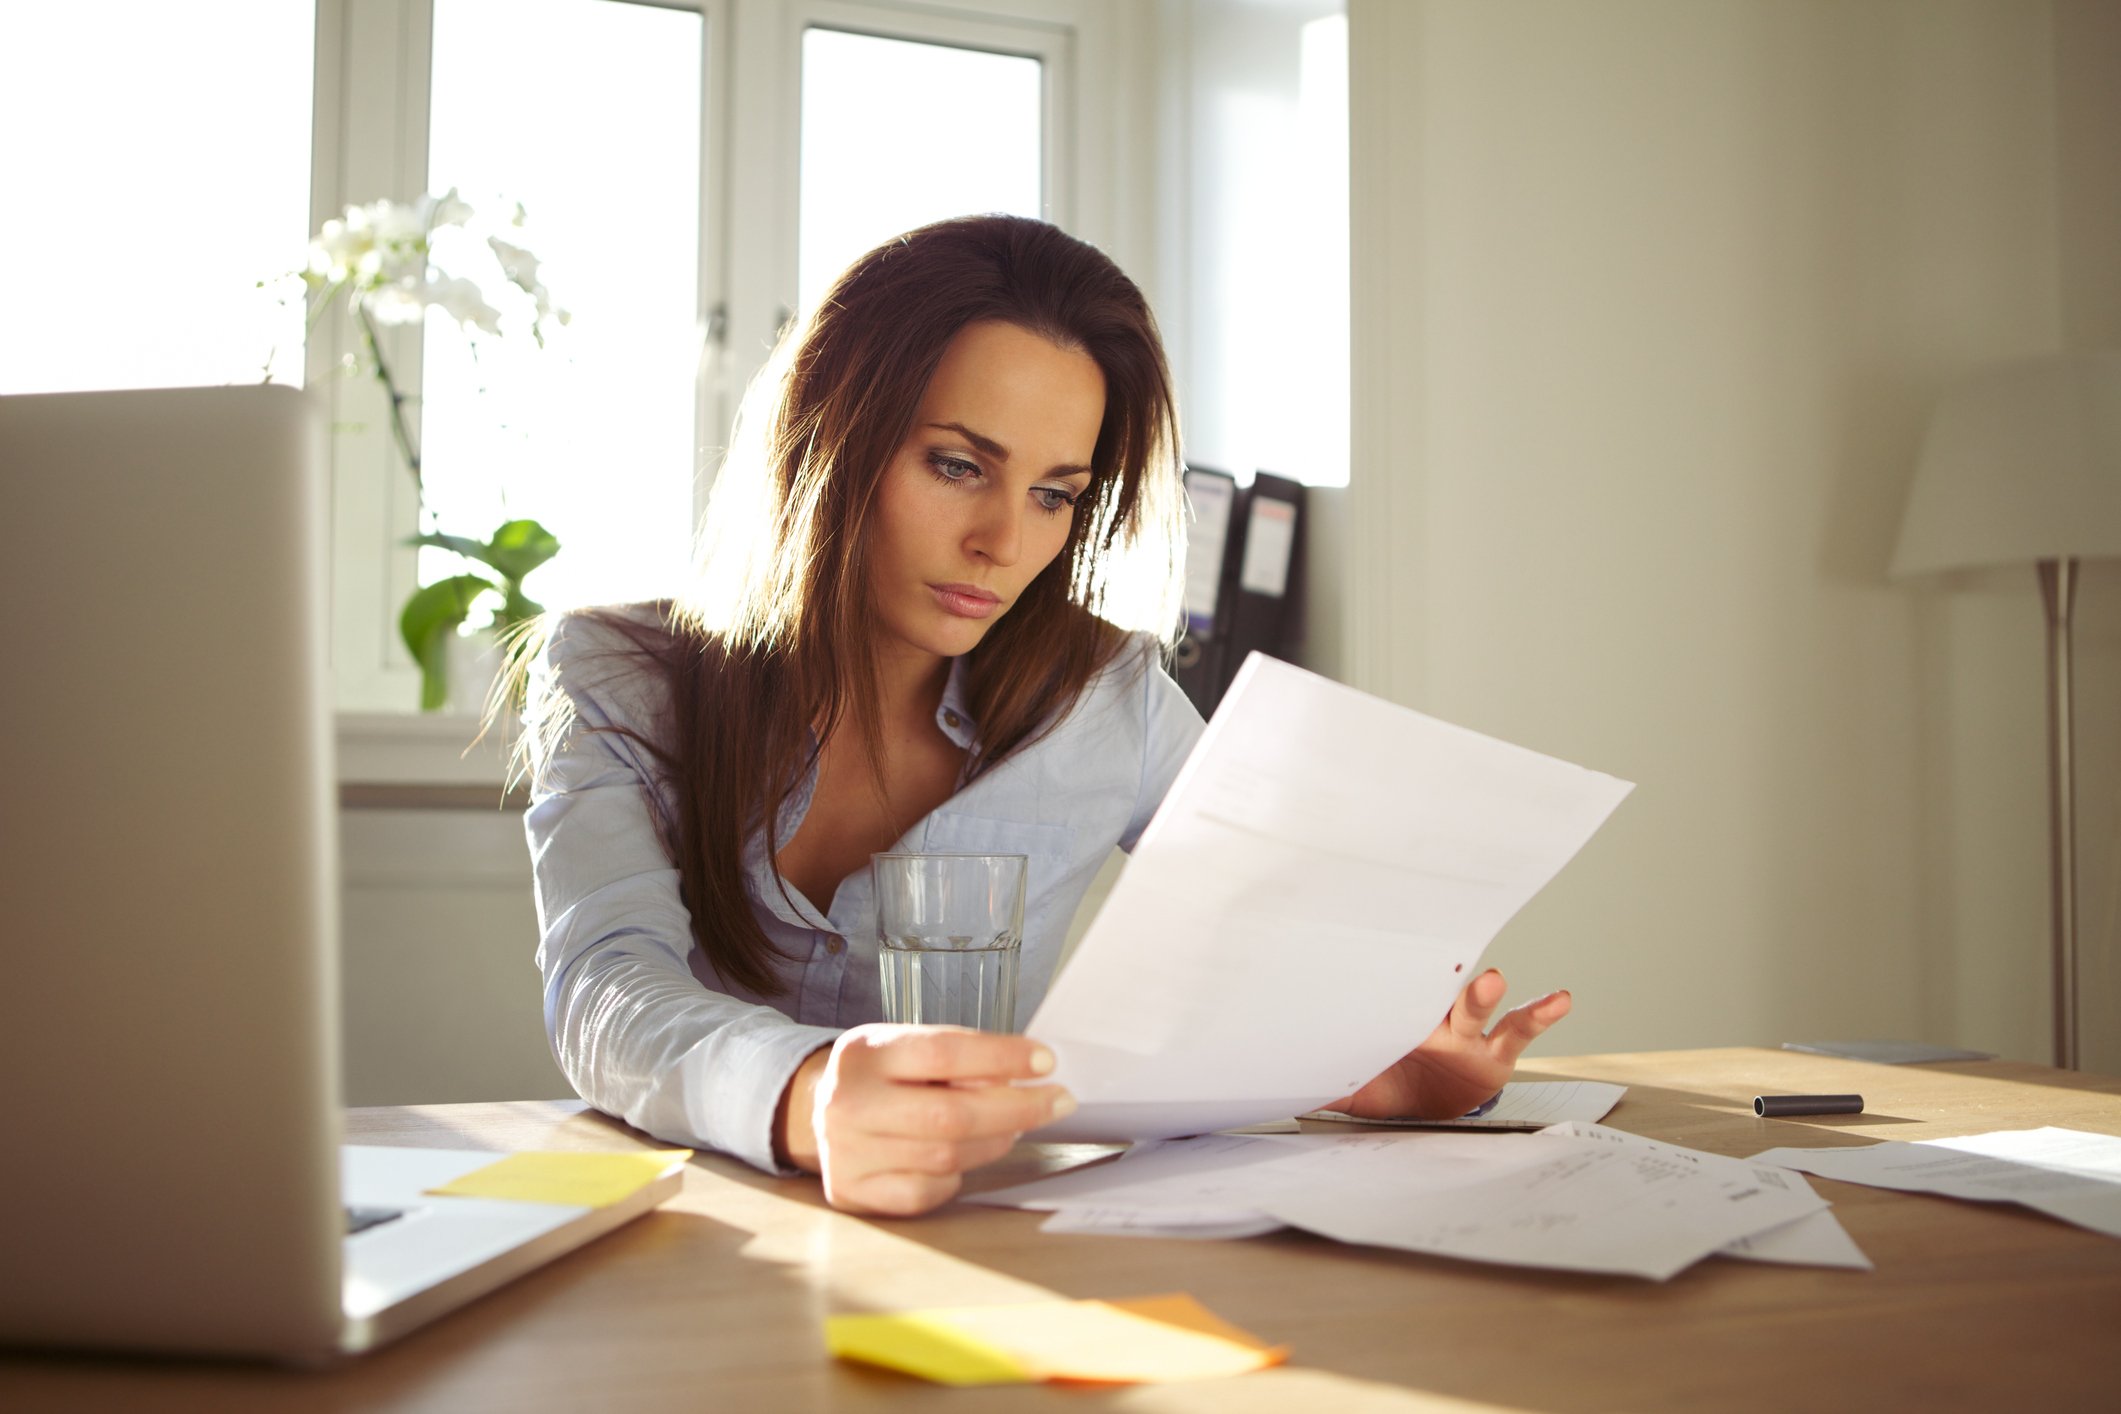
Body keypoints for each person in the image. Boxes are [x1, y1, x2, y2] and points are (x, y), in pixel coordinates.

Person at [516, 215, 1572, 1218]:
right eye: (959, 466)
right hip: (695, 1239)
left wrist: (1369, 1065)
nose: (1004, 543)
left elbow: (1277, 957)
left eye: (1056, 495)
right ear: (829, 439)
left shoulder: (1111, 699)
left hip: (990, 1247)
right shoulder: (617, 676)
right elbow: (607, 986)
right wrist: (806, 1093)